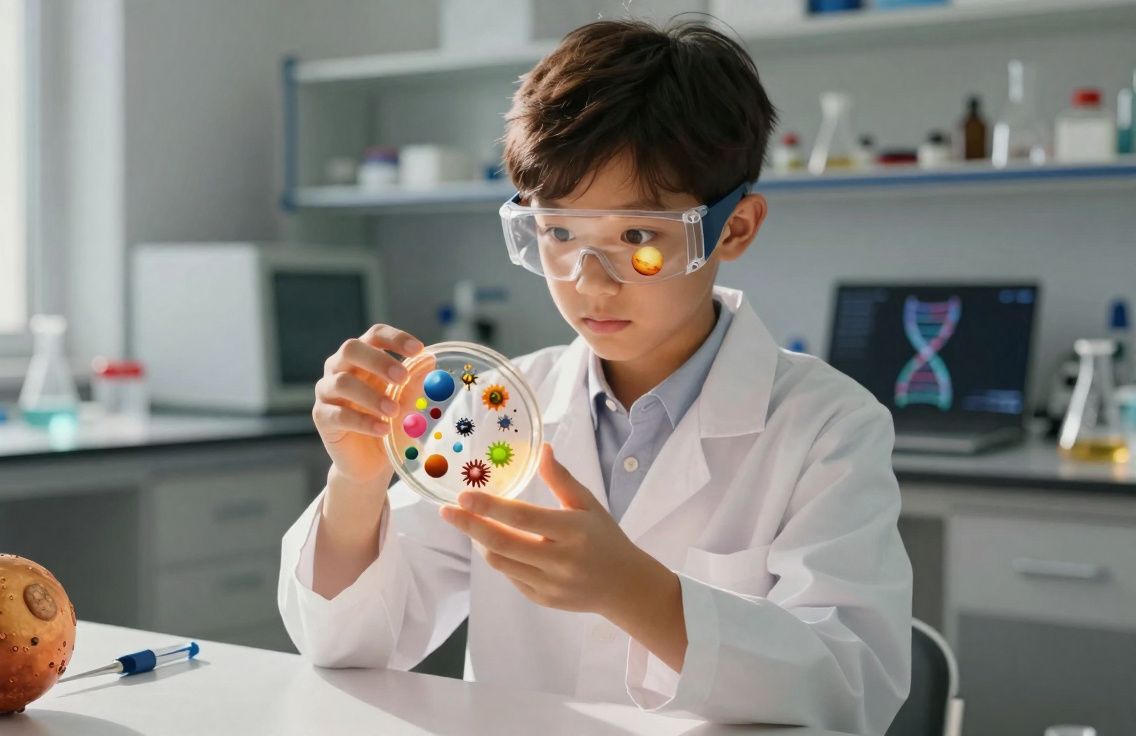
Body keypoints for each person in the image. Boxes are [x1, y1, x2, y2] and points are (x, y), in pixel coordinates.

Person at [278, 18, 911, 734]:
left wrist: (637, 592)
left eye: (637, 240)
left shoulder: (827, 427)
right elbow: (349, 644)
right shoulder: (500, 408)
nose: (590, 284)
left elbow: (849, 687)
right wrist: (358, 482)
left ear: (733, 229)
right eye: (558, 235)